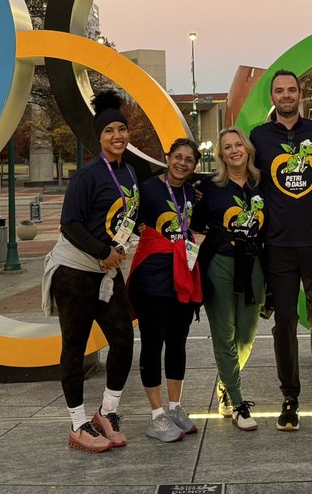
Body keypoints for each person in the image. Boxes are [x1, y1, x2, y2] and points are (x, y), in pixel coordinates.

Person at [41, 90, 138, 453]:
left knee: (123, 339)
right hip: (75, 273)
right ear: (99, 137)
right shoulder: (87, 176)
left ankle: (106, 413)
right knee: (75, 347)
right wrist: (102, 251)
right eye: (109, 130)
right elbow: (70, 224)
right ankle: (78, 423)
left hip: (108, 273)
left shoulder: (128, 171)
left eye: (121, 129)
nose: (117, 135)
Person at [248, 69, 312, 429]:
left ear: (301, 95)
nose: (286, 95)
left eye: (291, 90)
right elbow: (243, 177)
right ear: (272, 97)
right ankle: (290, 397)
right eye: (279, 91)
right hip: (279, 245)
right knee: (284, 322)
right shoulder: (259, 137)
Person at [126, 138, 204, 443]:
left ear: (194, 166)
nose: (182, 163)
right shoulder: (147, 189)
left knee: (177, 342)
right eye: (178, 157)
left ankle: (174, 407)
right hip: (152, 276)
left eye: (189, 160)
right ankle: (156, 415)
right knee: (152, 343)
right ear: (167, 157)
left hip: (181, 275)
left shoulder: (190, 192)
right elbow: (129, 219)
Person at [194, 126, 267, 431]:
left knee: (247, 334)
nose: (234, 150)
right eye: (227, 147)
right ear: (221, 155)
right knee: (224, 333)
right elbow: (194, 222)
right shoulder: (208, 187)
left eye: (239, 144)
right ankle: (236, 402)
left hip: (254, 263)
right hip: (220, 263)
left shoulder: (262, 183)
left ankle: (226, 384)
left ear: (247, 149)